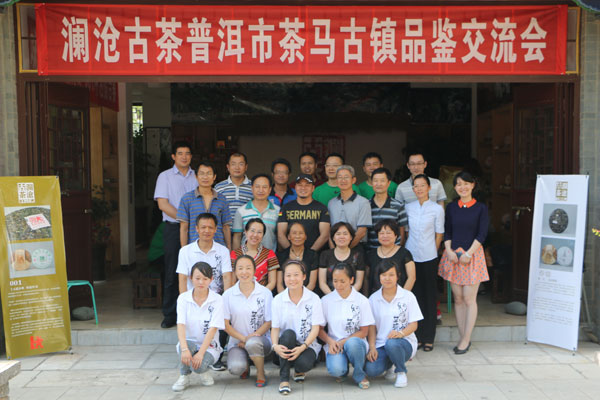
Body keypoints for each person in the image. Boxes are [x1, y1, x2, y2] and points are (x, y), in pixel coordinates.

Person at [438, 171, 489, 355]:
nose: (463, 187)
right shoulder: (452, 207)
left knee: (469, 298)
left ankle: (466, 339)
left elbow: (482, 234)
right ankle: (463, 337)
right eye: (459, 184)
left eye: (466, 183)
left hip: (472, 256)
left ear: (473, 185)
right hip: (454, 256)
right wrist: (449, 250)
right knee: (458, 298)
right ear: (455, 187)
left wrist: (468, 253)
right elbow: (447, 231)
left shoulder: (481, 208)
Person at [154, 141, 198, 329]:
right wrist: (184, 219)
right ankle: (170, 314)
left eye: (187, 153)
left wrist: (191, 223)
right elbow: (162, 204)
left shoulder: (197, 176)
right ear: (173, 156)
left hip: (195, 230)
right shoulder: (164, 177)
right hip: (173, 228)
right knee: (173, 270)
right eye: (180, 153)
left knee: (197, 270)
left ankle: (194, 314)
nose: (184, 157)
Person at [366, 259, 423, 389]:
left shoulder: (408, 296)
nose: (387, 278)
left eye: (391, 275)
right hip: (381, 344)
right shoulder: (373, 299)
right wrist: (372, 347)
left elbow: (414, 324)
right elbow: (372, 327)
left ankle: (401, 371)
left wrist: (400, 333)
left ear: (398, 276)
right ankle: (391, 364)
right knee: (371, 370)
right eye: (384, 275)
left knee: (392, 343)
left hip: (404, 342)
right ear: (379, 277)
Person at [271, 260, 325, 395]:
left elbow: (315, 328)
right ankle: (284, 380)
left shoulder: (314, 299)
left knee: (303, 364)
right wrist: (275, 346)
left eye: (296, 275)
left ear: (304, 276)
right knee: (288, 334)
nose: (292, 279)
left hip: (307, 345)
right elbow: (275, 328)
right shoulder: (278, 299)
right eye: (288, 275)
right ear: (283, 278)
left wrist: (303, 347)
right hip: (285, 344)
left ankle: (298, 370)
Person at [405, 174, 444, 352]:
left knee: (429, 297)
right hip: (411, 256)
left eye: (422, 185)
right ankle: (418, 336)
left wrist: (433, 251)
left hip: (429, 257)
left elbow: (439, 234)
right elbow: (406, 231)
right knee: (415, 296)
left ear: (429, 187)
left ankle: (429, 337)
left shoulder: (437, 209)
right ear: (413, 189)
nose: (419, 189)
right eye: (416, 186)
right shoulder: (408, 208)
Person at [319, 263, 375, 389]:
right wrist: (330, 342)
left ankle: (359, 374)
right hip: (335, 344)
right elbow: (319, 329)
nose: (338, 285)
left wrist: (343, 342)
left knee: (353, 343)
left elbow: (364, 331)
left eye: (342, 281)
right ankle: (343, 370)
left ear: (351, 280)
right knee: (336, 370)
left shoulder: (362, 300)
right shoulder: (326, 301)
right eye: (335, 281)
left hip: (356, 343)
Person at [172, 262, 224, 392]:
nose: (201, 282)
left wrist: (200, 354)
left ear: (211, 279)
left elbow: (213, 329)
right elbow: (180, 324)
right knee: (187, 347)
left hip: (210, 346)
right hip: (189, 343)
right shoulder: (183, 298)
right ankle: (184, 376)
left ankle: (203, 371)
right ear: (191, 278)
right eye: (197, 278)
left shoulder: (217, 299)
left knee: (199, 366)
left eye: (205, 279)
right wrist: (184, 349)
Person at [222, 255, 273, 387]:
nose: (244, 272)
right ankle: (245, 366)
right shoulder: (228, 295)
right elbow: (225, 325)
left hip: (260, 341)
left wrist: (250, 339)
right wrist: (244, 339)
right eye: (240, 268)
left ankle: (260, 373)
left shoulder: (265, 293)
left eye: (248, 268)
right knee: (235, 368)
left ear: (254, 270)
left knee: (253, 343)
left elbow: (269, 322)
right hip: (237, 343)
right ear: (235, 272)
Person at [177, 160, 232, 249]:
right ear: (196, 176)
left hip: (218, 248)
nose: (205, 177)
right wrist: (184, 250)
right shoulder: (187, 198)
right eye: (202, 173)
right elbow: (184, 228)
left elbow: (226, 227)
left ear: (214, 177)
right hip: (194, 248)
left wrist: (228, 249)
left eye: (209, 173)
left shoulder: (222, 199)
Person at [277, 174, 330, 252]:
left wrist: (310, 254)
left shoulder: (322, 208)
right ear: (295, 187)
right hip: (291, 255)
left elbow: (324, 235)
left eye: (307, 185)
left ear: (313, 188)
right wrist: (293, 252)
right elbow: (281, 235)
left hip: (315, 255)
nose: (303, 188)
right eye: (300, 185)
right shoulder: (286, 208)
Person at [366, 219, 415, 295]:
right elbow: (366, 278)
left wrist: (402, 296)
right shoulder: (371, 254)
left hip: (399, 297)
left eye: (388, 233)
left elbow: (411, 278)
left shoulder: (404, 253)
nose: (385, 236)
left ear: (396, 235)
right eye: (381, 233)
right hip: (375, 298)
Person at [327, 165, 372, 248]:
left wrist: (346, 250)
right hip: (335, 248)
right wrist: (333, 250)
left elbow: (362, 231)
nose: (343, 180)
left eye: (346, 177)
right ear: (336, 181)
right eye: (340, 177)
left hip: (356, 246)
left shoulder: (363, 202)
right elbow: (329, 229)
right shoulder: (331, 203)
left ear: (353, 180)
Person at [232, 174, 280, 251]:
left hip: (270, 257)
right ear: (252, 188)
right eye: (257, 187)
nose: (261, 190)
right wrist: (236, 256)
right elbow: (237, 237)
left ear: (270, 189)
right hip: (246, 256)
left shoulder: (277, 211)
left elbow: (280, 236)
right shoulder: (241, 211)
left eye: (264, 187)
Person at [231, 218, 279, 292]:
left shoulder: (269, 254)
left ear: (263, 235)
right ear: (246, 232)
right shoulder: (235, 254)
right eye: (252, 231)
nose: (255, 235)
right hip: (240, 295)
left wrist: (260, 294)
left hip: (262, 295)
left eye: (259, 232)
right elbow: (232, 281)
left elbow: (272, 282)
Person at [319, 222, 365, 295]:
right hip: (330, 295)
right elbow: (322, 283)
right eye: (338, 234)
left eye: (345, 234)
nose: (342, 237)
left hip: (352, 296)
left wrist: (348, 296)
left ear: (351, 237)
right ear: (333, 238)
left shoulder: (358, 255)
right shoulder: (325, 255)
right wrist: (333, 296)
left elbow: (358, 283)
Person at [367, 167, 407, 250]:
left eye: (382, 180)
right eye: (375, 181)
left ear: (388, 183)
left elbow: (402, 232)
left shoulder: (398, 206)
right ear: (372, 183)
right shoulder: (366, 205)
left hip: (393, 252)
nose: (379, 184)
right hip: (371, 252)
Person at [276, 222, 318, 292]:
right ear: (289, 237)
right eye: (294, 233)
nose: (297, 236)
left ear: (305, 236)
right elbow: (279, 284)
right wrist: (285, 296)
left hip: (306, 294)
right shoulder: (281, 256)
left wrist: (301, 296)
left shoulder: (312, 255)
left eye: (301, 233)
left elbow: (312, 284)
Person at [215, 152, 253, 218]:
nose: (237, 167)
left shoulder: (254, 187)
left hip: (247, 224)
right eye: (233, 164)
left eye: (241, 164)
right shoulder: (218, 187)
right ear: (228, 167)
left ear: (246, 167)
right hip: (225, 224)